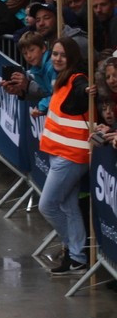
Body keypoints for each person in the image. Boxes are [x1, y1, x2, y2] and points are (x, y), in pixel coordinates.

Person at [37, 39, 91, 277]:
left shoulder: (77, 80)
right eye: (55, 54)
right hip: (60, 153)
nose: (57, 59)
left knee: (47, 205)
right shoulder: (61, 80)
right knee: (69, 208)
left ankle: (73, 248)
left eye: (63, 55)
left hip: (70, 156)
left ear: (73, 57)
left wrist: (88, 90)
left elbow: (82, 90)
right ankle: (78, 259)